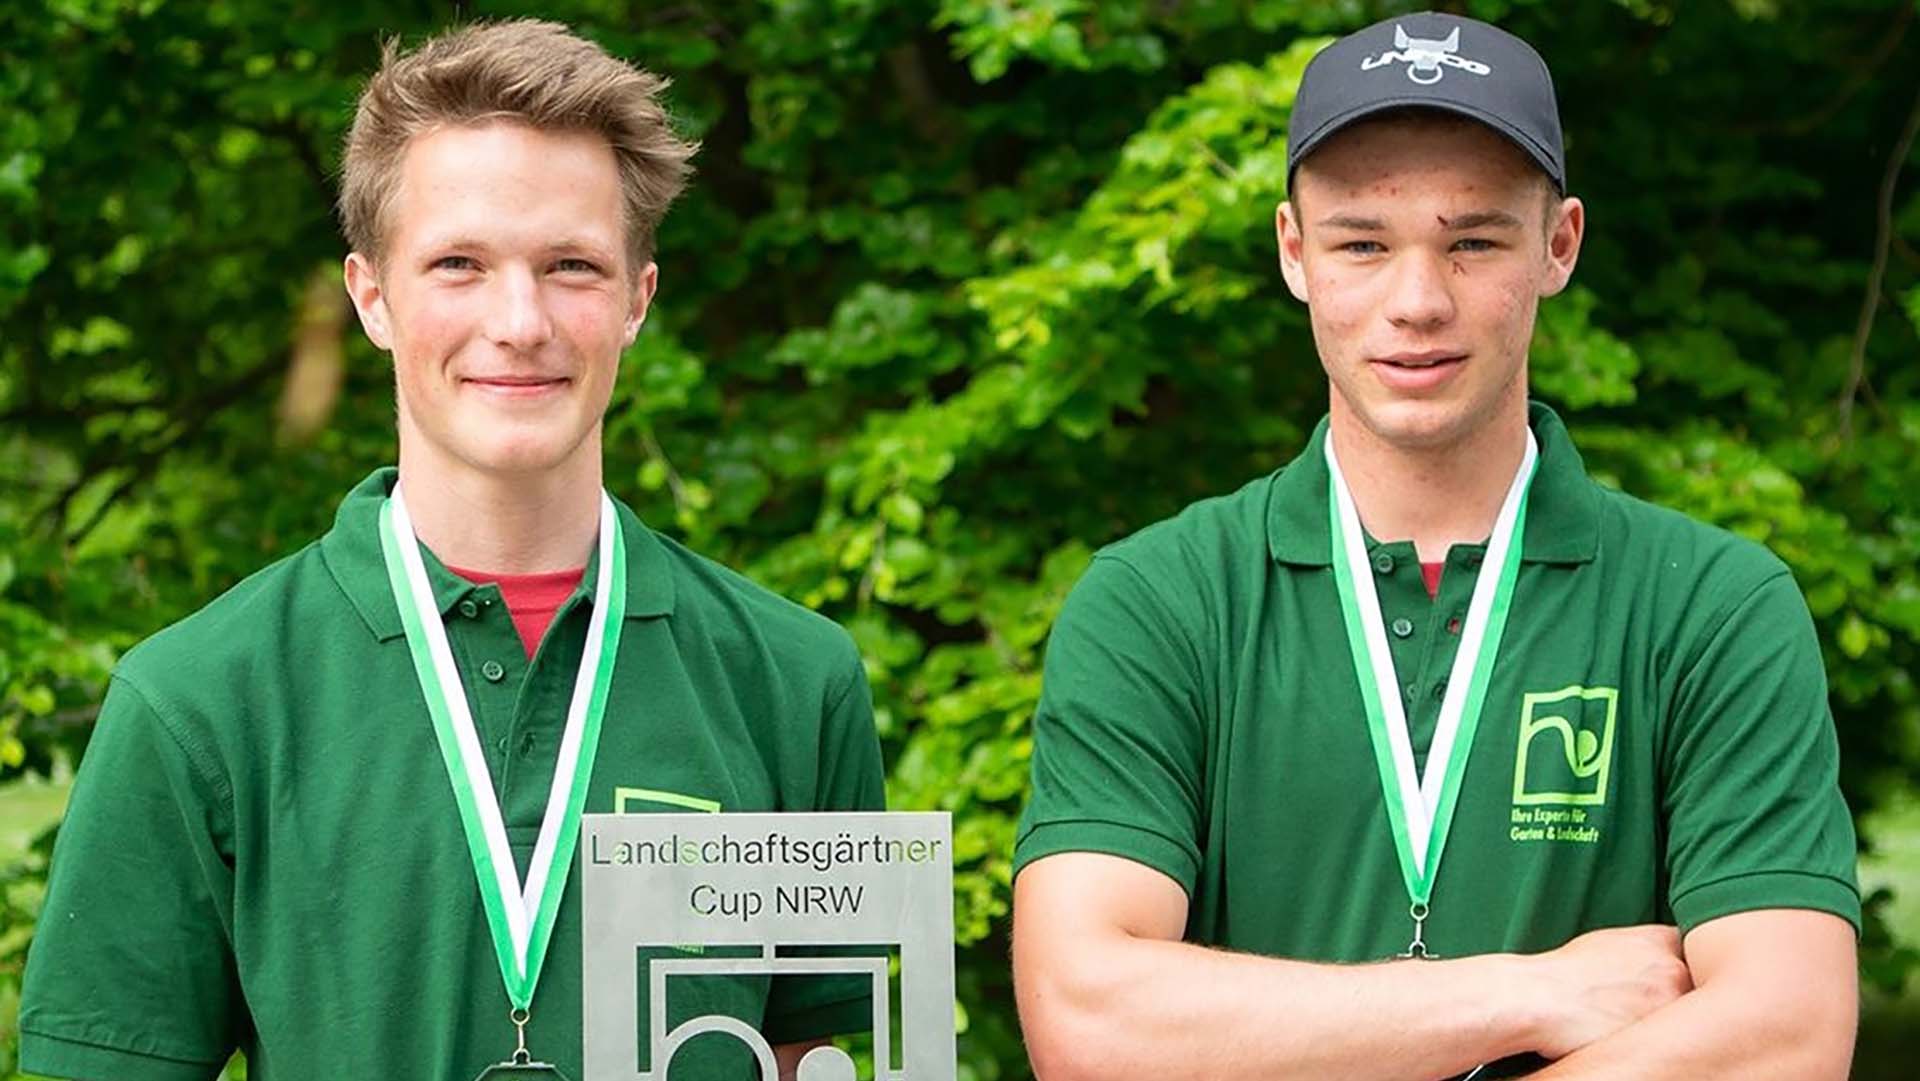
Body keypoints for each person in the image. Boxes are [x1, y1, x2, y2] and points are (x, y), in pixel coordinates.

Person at [19, 20, 884, 1080]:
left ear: (637, 299)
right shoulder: (195, 702)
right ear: (372, 296)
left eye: (571, 264)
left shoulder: (793, 683)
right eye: (459, 264)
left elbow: (814, 1054)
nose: (518, 321)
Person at [1010, 11, 1859, 1081]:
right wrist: (1525, 992)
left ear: (1559, 246)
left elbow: (1783, 1036)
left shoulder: (1713, 604)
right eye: (1363, 242)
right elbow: (1090, 1023)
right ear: (1294, 252)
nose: (1417, 302)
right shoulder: (1159, 600)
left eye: (1474, 242)